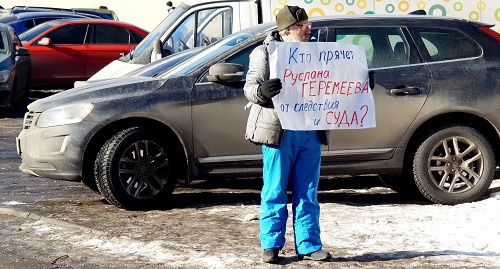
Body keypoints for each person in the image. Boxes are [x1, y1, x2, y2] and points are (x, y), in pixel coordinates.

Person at [243, 5, 331, 264]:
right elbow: (249, 88)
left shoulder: (318, 54)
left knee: (308, 191)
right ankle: (271, 244)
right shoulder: (265, 54)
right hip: (279, 131)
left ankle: (309, 244)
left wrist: (358, 86)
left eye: (308, 25)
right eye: (303, 26)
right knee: (275, 189)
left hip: (310, 130)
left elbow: (336, 81)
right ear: (288, 31)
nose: (309, 29)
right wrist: (262, 91)